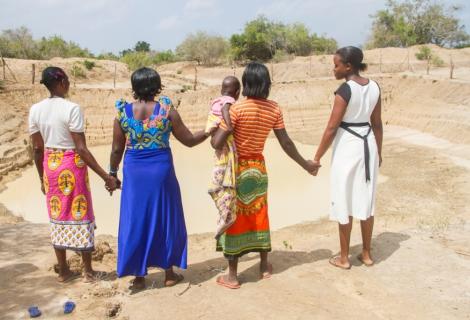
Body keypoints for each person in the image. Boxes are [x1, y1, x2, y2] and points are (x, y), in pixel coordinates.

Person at [211, 62, 319, 289]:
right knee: (259, 214)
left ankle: (232, 276)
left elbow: (216, 143)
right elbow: (286, 143)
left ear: (246, 83)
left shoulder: (236, 109)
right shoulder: (274, 109)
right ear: (266, 84)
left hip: (237, 169)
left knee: (234, 217)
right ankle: (263, 266)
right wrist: (305, 164)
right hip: (258, 168)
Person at [109, 67, 212, 291]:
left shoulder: (122, 113)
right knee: (165, 217)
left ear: (134, 88)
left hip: (134, 172)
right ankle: (168, 274)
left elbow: (117, 149)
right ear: (157, 86)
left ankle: (138, 276)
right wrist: (209, 130)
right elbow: (189, 140)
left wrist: (112, 173)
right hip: (161, 170)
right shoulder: (167, 110)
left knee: (136, 219)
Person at [29, 66, 119, 283]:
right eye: (67, 80)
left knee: (57, 215)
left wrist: (42, 177)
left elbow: (38, 149)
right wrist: (106, 176)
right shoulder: (72, 108)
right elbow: (81, 148)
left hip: (50, 166)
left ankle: (64, 270)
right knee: (82, 213)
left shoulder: (35, 109)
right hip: (71, 165)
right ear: (61, 83)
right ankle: (88, 271)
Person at [313, 46, 383, 269]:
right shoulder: (374, 87)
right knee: (366, 198)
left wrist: (316, 157)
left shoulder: (345, 90)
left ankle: (344, 258)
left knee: (344, 198)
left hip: (348, 146)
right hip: (368, 143)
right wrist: (378, 153)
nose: (334, 69)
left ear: (348, 66)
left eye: (336, 65)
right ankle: (366, 254)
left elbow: (332, 128)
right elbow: (377, 124)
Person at [206, 76, 241, 239]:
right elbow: (226, 113)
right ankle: (226, 215)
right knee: (224, 186)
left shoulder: (217, 100)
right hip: (224, 147)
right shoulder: (229, 102)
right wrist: (229, 125)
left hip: (214, 133)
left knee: (217, 186)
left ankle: (224, 216)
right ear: (238, 93)